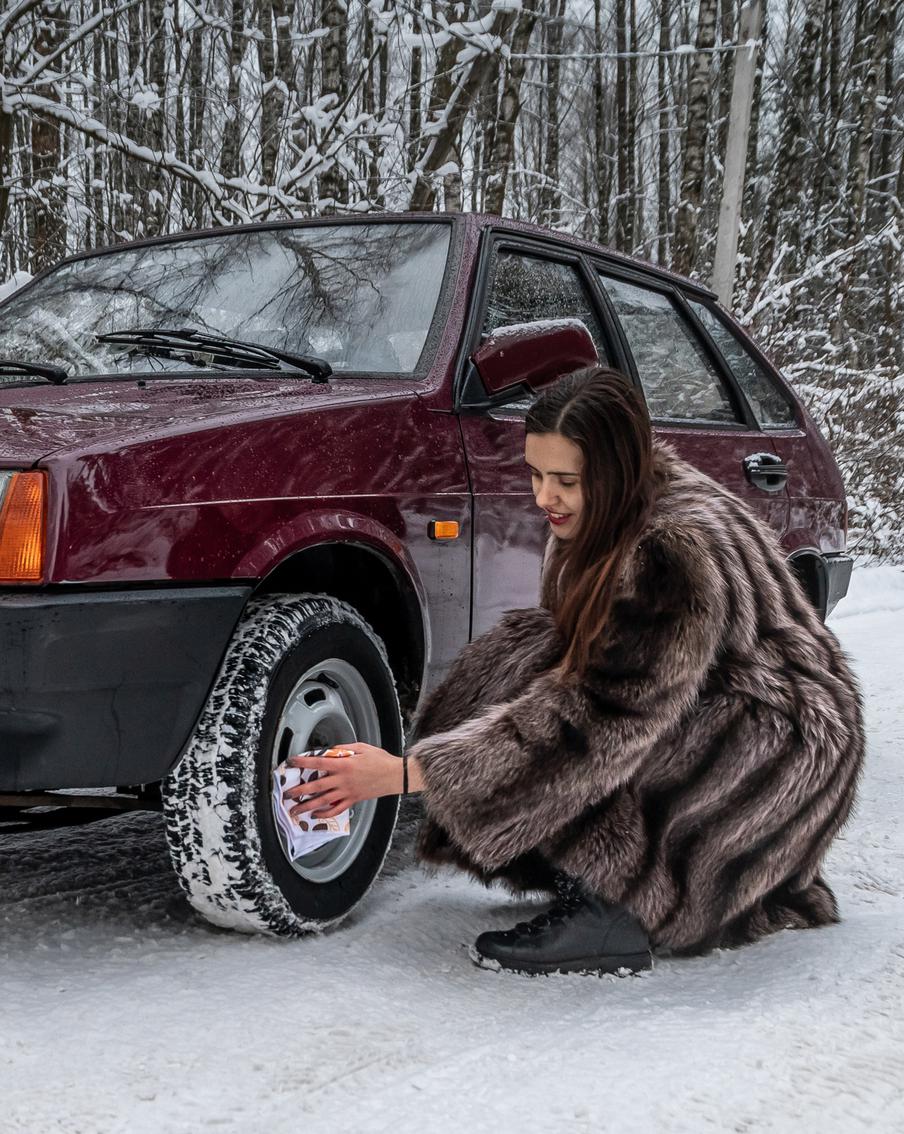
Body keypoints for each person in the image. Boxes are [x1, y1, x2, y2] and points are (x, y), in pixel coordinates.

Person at [283, 368, 865, 976]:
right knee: (525, 650)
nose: (544, 497)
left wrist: (405, 774)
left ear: (616, 470)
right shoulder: (615, 508)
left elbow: (600, 717)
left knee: (593, 720)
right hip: (712, 700)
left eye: (566, 480)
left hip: (776, 742)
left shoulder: (667, 551)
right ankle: (578, 858)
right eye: (536, 474)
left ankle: (616, 906)